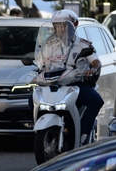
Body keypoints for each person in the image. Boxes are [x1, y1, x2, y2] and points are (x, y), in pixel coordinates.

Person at [35, 9, 103, 145]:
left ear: (73, 25)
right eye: (57, 26)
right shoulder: (49, 45)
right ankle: (42, 130)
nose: (60, 29)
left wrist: (92, 69)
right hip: (53, 84)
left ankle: (83, 135)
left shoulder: (83, 44)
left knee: (96, 100)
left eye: (63, 25)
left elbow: (96, 61)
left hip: (76, 84)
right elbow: (41, 64)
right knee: (32, 100)